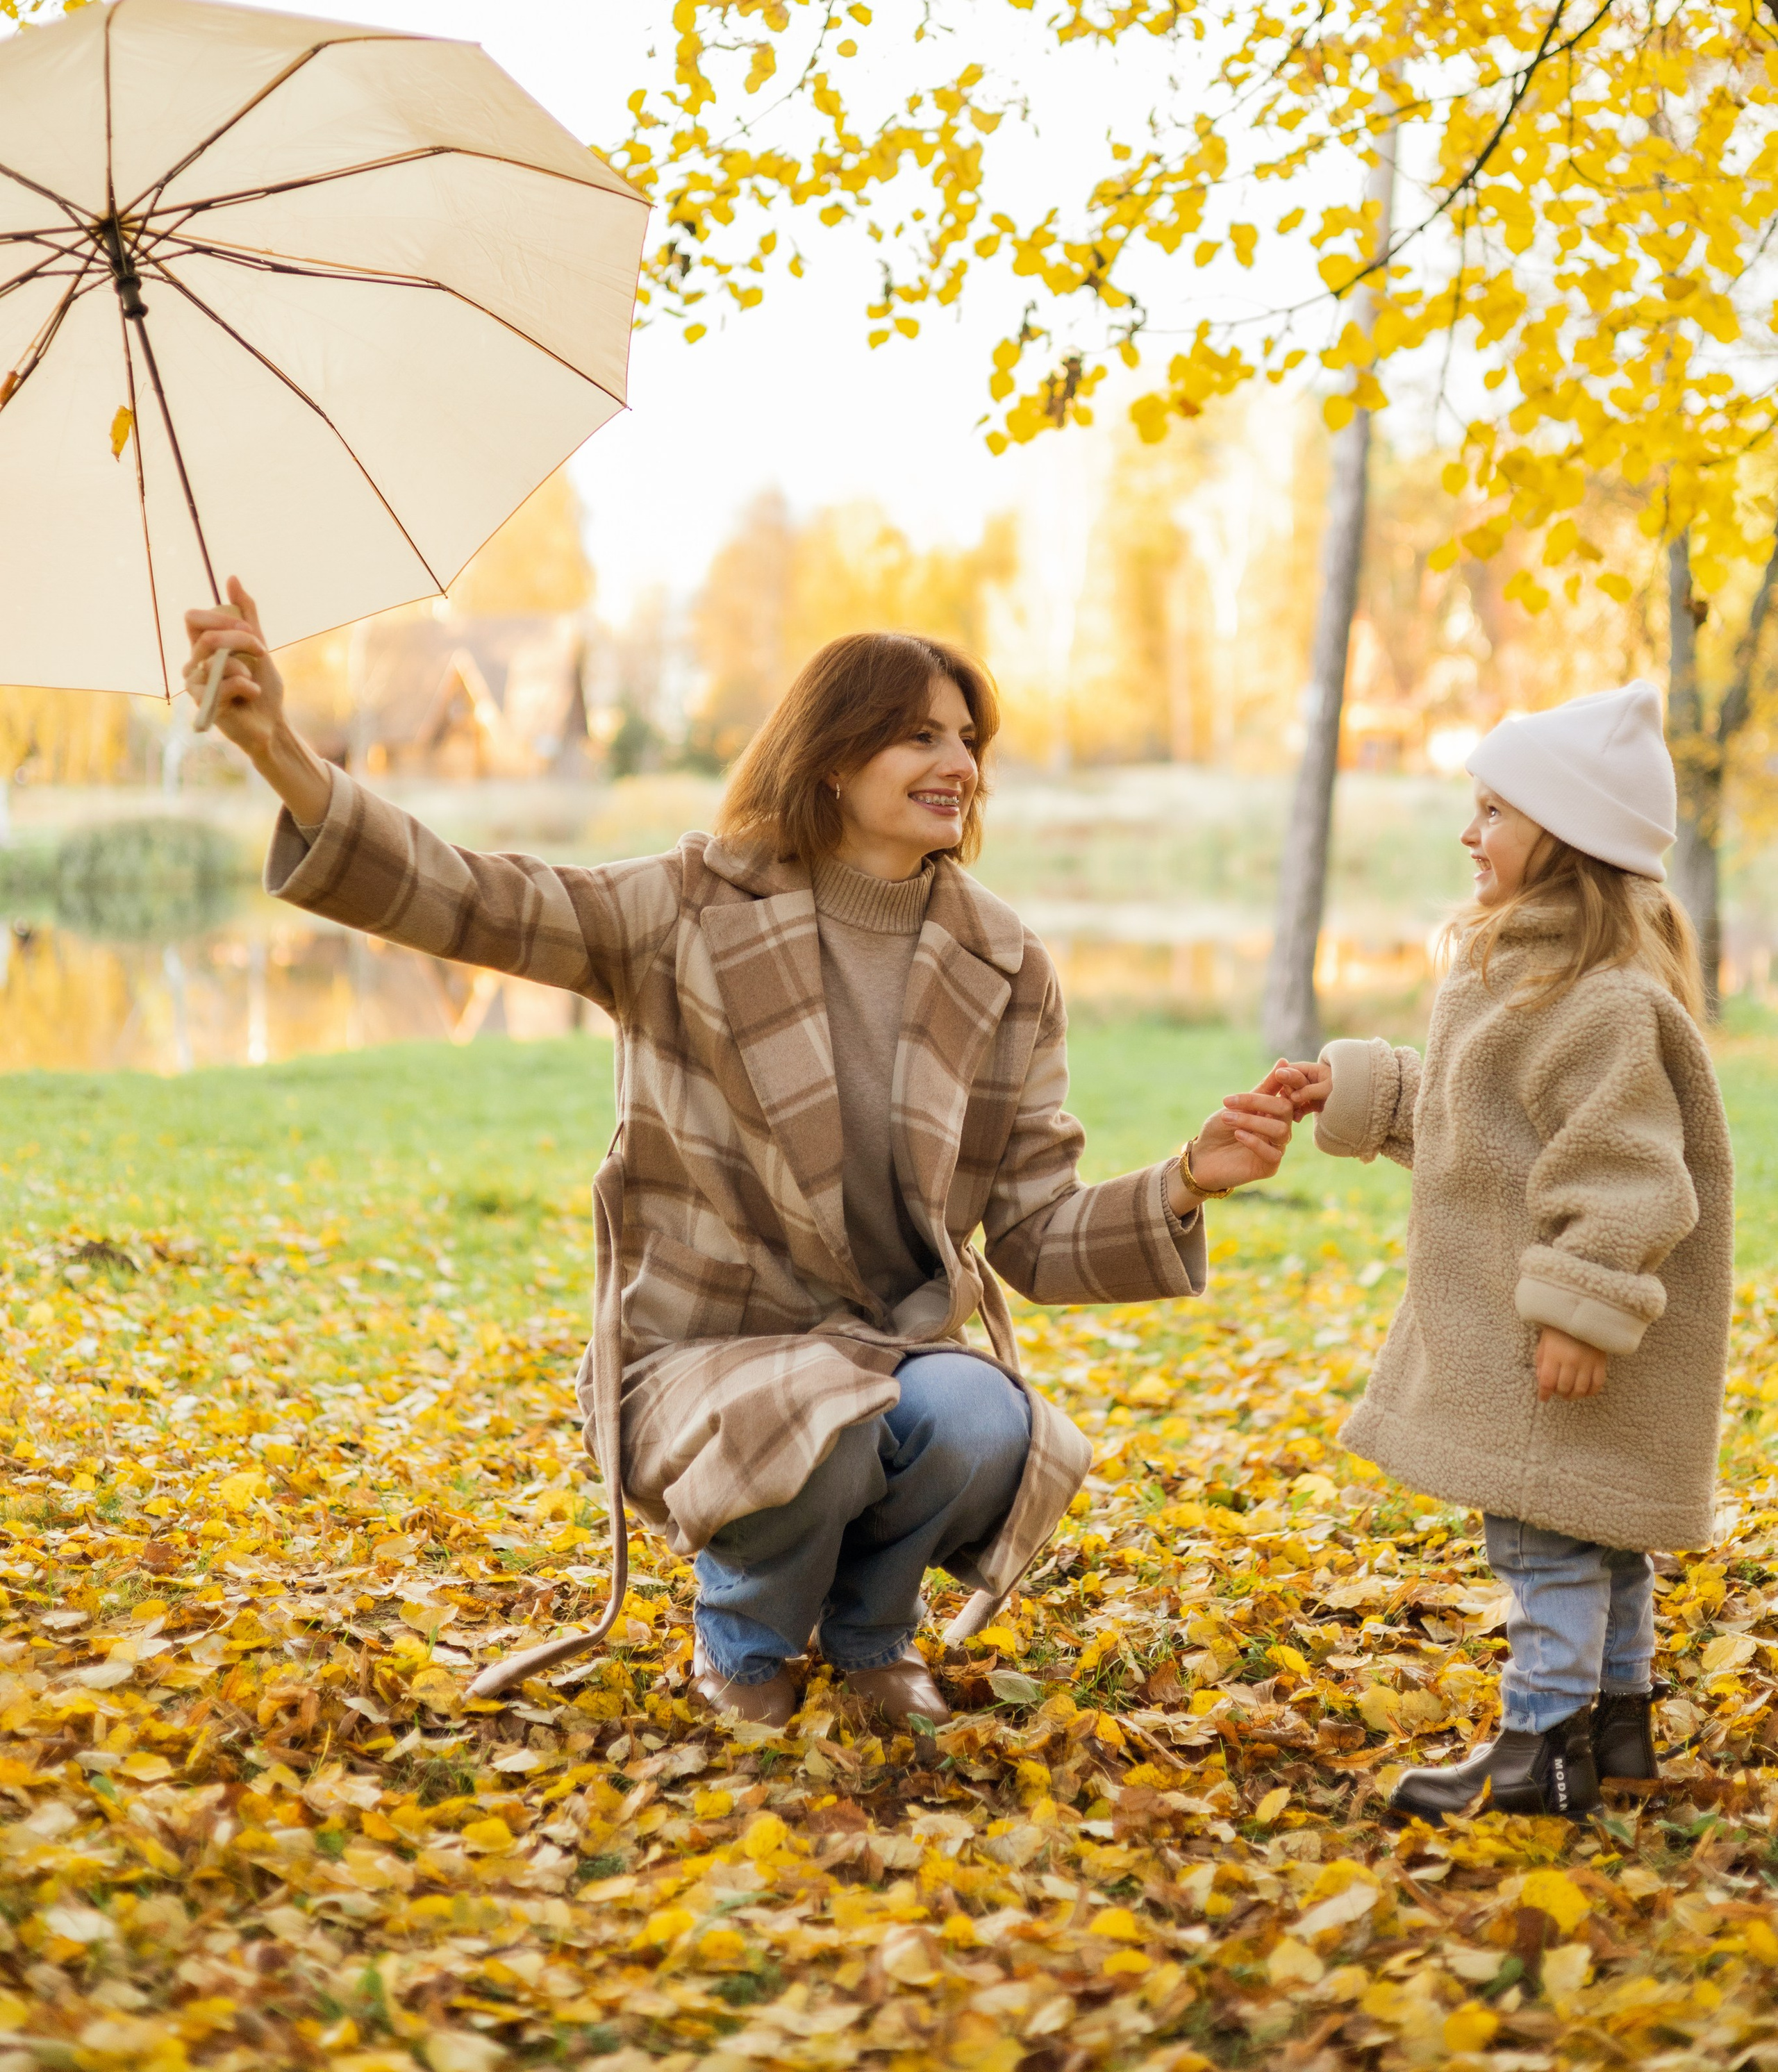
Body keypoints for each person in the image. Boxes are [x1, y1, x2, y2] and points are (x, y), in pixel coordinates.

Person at [183, 585, 1294, 1733]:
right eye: (920, 735)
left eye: (969, 738)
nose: (959, 764)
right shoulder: (687, 906)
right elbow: (473, 900)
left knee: (981, 1417)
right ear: (834, 758)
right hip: (697, 1353)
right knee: (826, 1419)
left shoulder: (1004, 961)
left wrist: (1186, 1181)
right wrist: (278, 749)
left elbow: (1032, 1230)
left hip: (890, 1350)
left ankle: (872, 1638)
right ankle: (745, 1639)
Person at [1272, 683, 1732, 1823]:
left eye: (1493, 813)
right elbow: (1492, 1130)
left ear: (1565, 837)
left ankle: (1542, 1746)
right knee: (1595, 1531)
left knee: (1545, 1539)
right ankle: (1616, 1729)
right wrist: (1362, 1092)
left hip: (1551, 1345)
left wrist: (1582, 1308)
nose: (1469, 835)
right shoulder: (1533, 977)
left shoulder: (1599, 1001)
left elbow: (1627, 1175)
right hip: (1541, 1332)